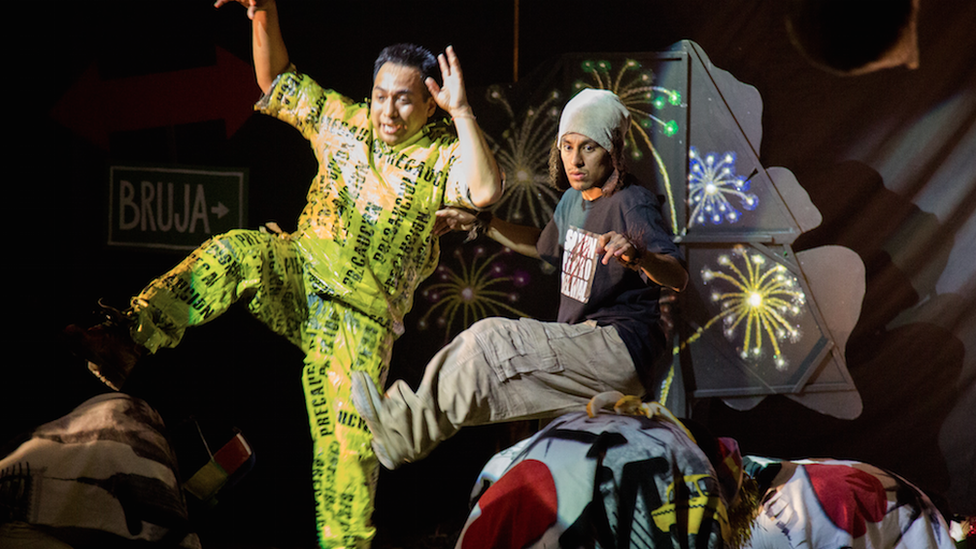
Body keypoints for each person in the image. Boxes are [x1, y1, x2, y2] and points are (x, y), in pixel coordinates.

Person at [63, 0, 503, 546]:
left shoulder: (441, 155)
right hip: (296, 271)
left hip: (357, 322)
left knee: (347, 449)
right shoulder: (344, 120)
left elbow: (486, 191)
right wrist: (265, 13)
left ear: (429, 105)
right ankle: (129, 338)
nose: (389, 113)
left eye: (405, 101)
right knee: (235, 252)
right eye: (381, 97)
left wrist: (462, 113)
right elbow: (277, 80)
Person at [351, 88, 688, 471]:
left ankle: (403, 432)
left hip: (617, 347)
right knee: (545, 457)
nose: (574, 160)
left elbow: (677, 276)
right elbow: (542, 245)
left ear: (612, 149)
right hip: (581, 350)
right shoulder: (572, 202)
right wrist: (484, 223)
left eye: (588, 148)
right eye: (566, 146)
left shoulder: (632, 201)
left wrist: (639, 256)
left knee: (489, 342)